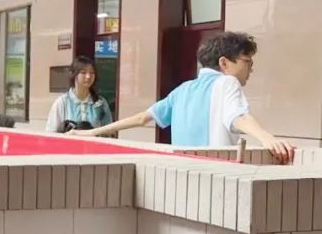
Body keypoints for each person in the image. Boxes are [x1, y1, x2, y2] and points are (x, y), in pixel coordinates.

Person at [70, 31, 294, 163]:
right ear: (224, 63)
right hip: (215, 175)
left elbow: (141, 118)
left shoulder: (183, 89)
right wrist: (267, 138)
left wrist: (90, 133)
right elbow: (238, 117)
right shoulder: (227, 82)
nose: (251, 68)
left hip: (184, 175)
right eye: (247, 62)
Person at [45, 56, 113, 133]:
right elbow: (51, 133)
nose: (88, 76)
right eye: (83, 72)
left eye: (92, 72)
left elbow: (109, 132)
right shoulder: (62, 102)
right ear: (73, 74)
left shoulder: (101, 103)